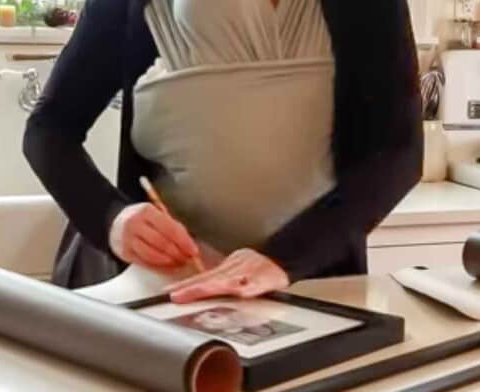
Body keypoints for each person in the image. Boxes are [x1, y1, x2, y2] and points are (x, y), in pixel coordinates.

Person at [24, 0, 422, 303]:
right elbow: (49, 131)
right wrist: (114, 219)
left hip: (314, 285)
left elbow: (399, 152)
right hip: (165, 287)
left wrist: (285, 259)